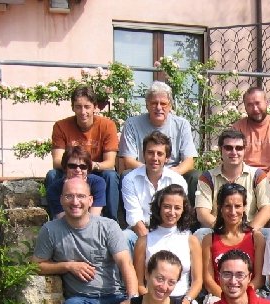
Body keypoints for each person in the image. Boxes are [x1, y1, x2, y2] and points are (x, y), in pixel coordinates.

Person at [46, 85, 120, 220]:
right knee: (52, 175)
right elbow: (57, 161)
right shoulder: (61, 126)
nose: (83, 111)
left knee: (111, 175)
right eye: (78, 106)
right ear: (73, 107)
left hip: (96, 170)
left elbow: (110, 162)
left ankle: (111, 221)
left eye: (87, 106)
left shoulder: (107, 125)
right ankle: (57, 218)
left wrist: (88, 166)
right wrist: (75, 167)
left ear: (95, 107)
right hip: (70, 169)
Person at [119, 81, 199, 197]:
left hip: (173, 172)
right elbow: (129, 161)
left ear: (170, 106)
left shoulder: (182, 124)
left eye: (163, 103)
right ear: (147, 105)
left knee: (195, 176)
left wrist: (168, 174)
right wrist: (153, 172)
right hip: (143, 170)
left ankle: (192, 215)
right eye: (154, 103)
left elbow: (189, 161)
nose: (158, 107)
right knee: (126, 175)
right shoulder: (132, 124)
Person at [133, 184, 202, 304]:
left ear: (183, 210)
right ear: (159, 208)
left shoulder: (191, 240)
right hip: (151, 302)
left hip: (182, 301)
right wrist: (150, 302)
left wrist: (186, 302)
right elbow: (139, 283)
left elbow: (197, 281)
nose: (172, 212)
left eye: (177, 208)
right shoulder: (143, 241)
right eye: (167, 207)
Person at [232, 86, 270, 225]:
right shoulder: (238, 128)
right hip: (244, 174)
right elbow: (234, 157)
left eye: (258, 103)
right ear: (245, 107)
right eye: (250, 105)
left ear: (266, 103)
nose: (255, 108)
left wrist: (265, 177)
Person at [194, 129, 270, 231]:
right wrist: (226, 232)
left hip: (249, 231)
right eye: (228, 148)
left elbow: (267, 210)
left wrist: (247, 232)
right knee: (200, 233)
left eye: (239, 148)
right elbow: (202, 213)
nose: (234, 152)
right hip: (217, 231)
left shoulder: (258, 175)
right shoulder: (207, 178)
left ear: (245, 150)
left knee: (269, 234)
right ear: (220, 150)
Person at [200, 183, 265, 304]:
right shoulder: (209, 240)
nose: (233, 211)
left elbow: (259, 279)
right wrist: (227, 298)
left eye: (238, 206)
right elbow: (208, 280)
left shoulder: (256, 238)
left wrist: (241, 296)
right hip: (218, 296)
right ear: (220, 208)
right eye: (228, 206)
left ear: (245, 207)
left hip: (249, 294)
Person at [121, 131, 188, 251]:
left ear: (167, 158)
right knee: (124, 237)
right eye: (150, 153)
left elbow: (179, 215)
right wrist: (151, 244)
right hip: (139, 231)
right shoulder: (130, 180)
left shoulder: (178, 181)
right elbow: (134, 217)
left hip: (169, 231)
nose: (154, 158)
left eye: (160, 154)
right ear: (144, 155)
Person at [46, 146, 107, 219]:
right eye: (72, 166)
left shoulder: (97, 183)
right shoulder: (54, 189)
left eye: (83, 167)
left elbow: (94, 216)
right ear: (65, 167)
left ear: (88, 169)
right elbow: (62, 218)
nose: (78, 170)